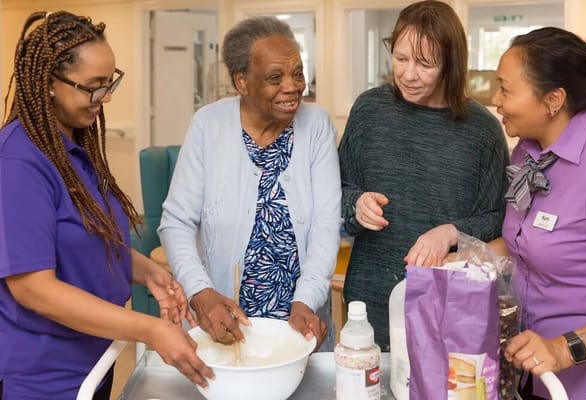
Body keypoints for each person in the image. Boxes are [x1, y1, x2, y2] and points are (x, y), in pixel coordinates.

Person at [0, 11, 213, 400]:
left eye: (110, 80)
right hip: (44, 377)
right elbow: (34, 290)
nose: (107, 96)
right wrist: (150, 328)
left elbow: (87, 240)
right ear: (49, 83)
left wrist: (148, 271)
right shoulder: (18, 163)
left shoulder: (73, 147)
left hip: (94, 360)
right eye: (95, 86)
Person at [158, 16, 341, 351]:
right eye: (275, 77)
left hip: (300, 319)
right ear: (242, 81)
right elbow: (176, 222)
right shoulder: (208, 125)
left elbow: (326, 224)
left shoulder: (316, 125)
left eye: (298, 72)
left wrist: (306, 301)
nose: (293, 85)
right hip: (224, 317)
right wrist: (201, 292)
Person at [338, 0, 509, 349]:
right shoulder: (369, 110)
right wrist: (356, 203)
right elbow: (337, 191)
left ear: (450, 63)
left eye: (425, 63)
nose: (408, 74)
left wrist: (451, 232)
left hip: (451, 305)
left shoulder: (482, 130)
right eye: (400, 59)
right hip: (370, 303)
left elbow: (499, 219)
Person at [490, 27, 586, 400]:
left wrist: (563, 349)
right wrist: (459, 255)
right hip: (531, 373)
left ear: (553, 100)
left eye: (505, 89)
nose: (495, 100)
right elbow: (522, 244)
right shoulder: (527, 152)